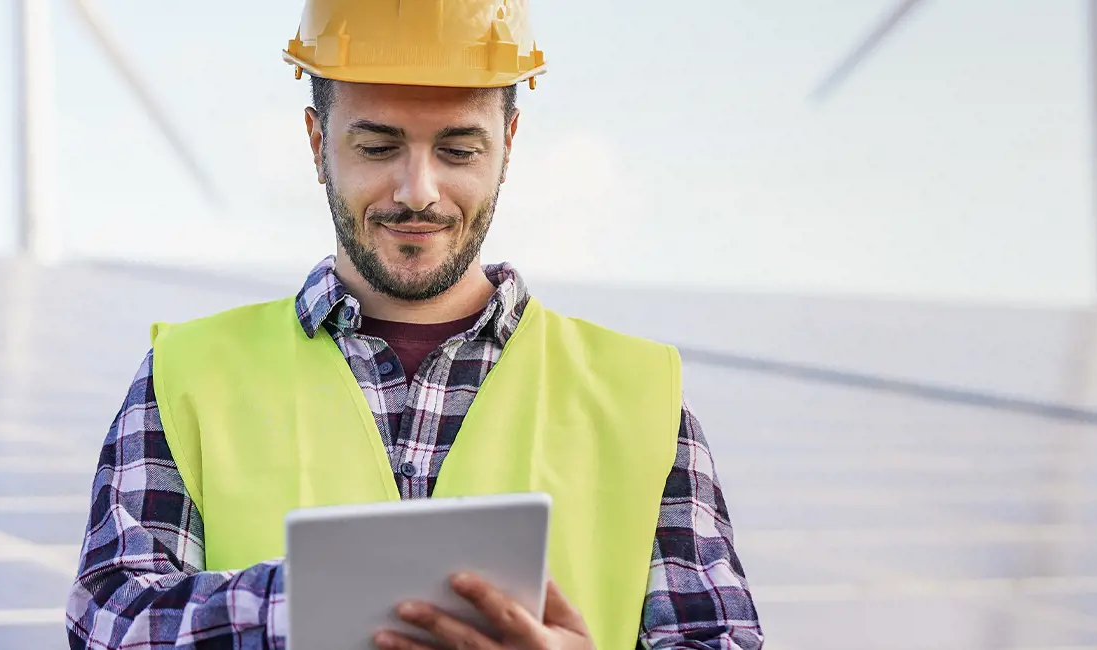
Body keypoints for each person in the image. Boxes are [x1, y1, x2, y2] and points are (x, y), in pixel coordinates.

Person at [66, 1, 761, 648]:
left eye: (458, 151)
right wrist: (310, 606)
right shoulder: (190, 373)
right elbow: (107, 622)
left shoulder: (641, 396)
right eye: (377, 148)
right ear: (317, 142)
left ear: (508, 144)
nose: (417, 191)